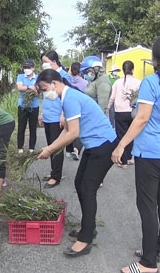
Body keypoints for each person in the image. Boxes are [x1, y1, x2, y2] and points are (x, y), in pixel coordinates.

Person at [112, 36, 160, 273]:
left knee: (147, 205)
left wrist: (121, 145)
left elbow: (142, 118)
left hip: (150, 154)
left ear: (154, 58)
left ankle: (148, 263)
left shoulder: (150, 83)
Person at [36, 69, 118, 257]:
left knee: (88, 189)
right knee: (79, 184)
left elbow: (73, 133)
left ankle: (85, 239)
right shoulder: (68, 97)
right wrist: (50, 148)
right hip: (93, 146)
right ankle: (88, 227)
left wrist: (49, 149)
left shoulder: (70, 98)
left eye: (44, 89)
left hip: (103, 146)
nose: (44, 93)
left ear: (54, 84)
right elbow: (67, 131)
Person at [39, 50, 72, 188]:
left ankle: (56, 176)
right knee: (50, 145)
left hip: (57, 117)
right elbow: (45, 96)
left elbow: (68, 97)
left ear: (54, 61)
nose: (44, 64)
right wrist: (42, 113)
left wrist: (64, 114)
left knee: (57, 147)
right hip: (48, 115)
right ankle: (54, 172)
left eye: (45, 61)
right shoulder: (47, 76)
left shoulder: (63, 76)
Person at [107, 60, 141, 168]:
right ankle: (130, 157)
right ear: (133, 69)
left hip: (120, 112)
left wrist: (107, 108)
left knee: (121, 135)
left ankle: (123, 161)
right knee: (131, 134)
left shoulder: (117, 82)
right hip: (133, 112)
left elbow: (112, 97)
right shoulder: (138, 82)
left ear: (123, 70)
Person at [16, 59, 39, 153]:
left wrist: (35, 90)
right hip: (22, 106)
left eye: (28, 67)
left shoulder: (38, 77)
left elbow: (38, 92)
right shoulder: (20, 76)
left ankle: (31, 148)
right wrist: (30, 87)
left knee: (33, 128)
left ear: (33, 68)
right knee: (21, 127)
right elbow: (20, 87)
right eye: (25, 67)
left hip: (34, 106)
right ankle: (20, 147)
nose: (26, 69)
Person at [65, 62, 88, 160]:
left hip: (68, 107)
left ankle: (69, 149)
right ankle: (76, 148)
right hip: (81, 107)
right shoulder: (85, 83)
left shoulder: (67, 80)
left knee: (69, 128)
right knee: (79, 128)